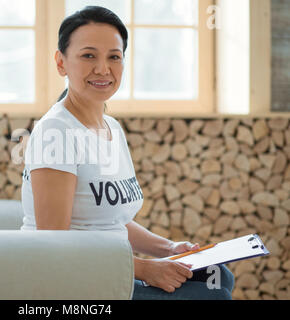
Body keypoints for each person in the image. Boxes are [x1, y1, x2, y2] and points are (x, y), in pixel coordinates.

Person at [20, 5, 234, 300]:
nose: (103, 69)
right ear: (61, 63)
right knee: (213, 295)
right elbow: (53, 243)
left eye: (114, 57)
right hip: (72, 285)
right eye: (88, 55)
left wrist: (169, 249)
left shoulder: (111, 127)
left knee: (219, 276)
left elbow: (109, 219)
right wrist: (145, 269)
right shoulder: (55, 133)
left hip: (111, 272)